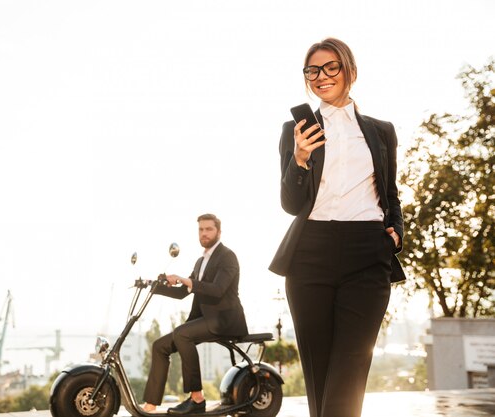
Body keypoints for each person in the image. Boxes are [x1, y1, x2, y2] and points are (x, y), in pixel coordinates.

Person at [269, 38, 406, 417]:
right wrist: (298, 160)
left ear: (350, 71)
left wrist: (395, 232)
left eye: (331, 67)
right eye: (312, 70)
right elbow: (291, 204)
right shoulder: (294, 129)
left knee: (349, 369)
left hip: (367, 254)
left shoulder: (381, 131)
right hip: (310, 254)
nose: (321, 76)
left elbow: (390, 193)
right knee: (320, 374)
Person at [142, 213, 248, 415]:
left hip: (224, 320)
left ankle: (197, 398)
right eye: (201, 229)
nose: (204, 233)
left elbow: (217, 289)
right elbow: (183, 292)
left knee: (182, 333)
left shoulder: (228, 256)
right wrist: (155, 286)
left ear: (218, 231)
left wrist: (184, 279)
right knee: (159, 346)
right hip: (205, 320)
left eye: (209, 229)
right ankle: (150, 405)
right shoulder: (200, 262)